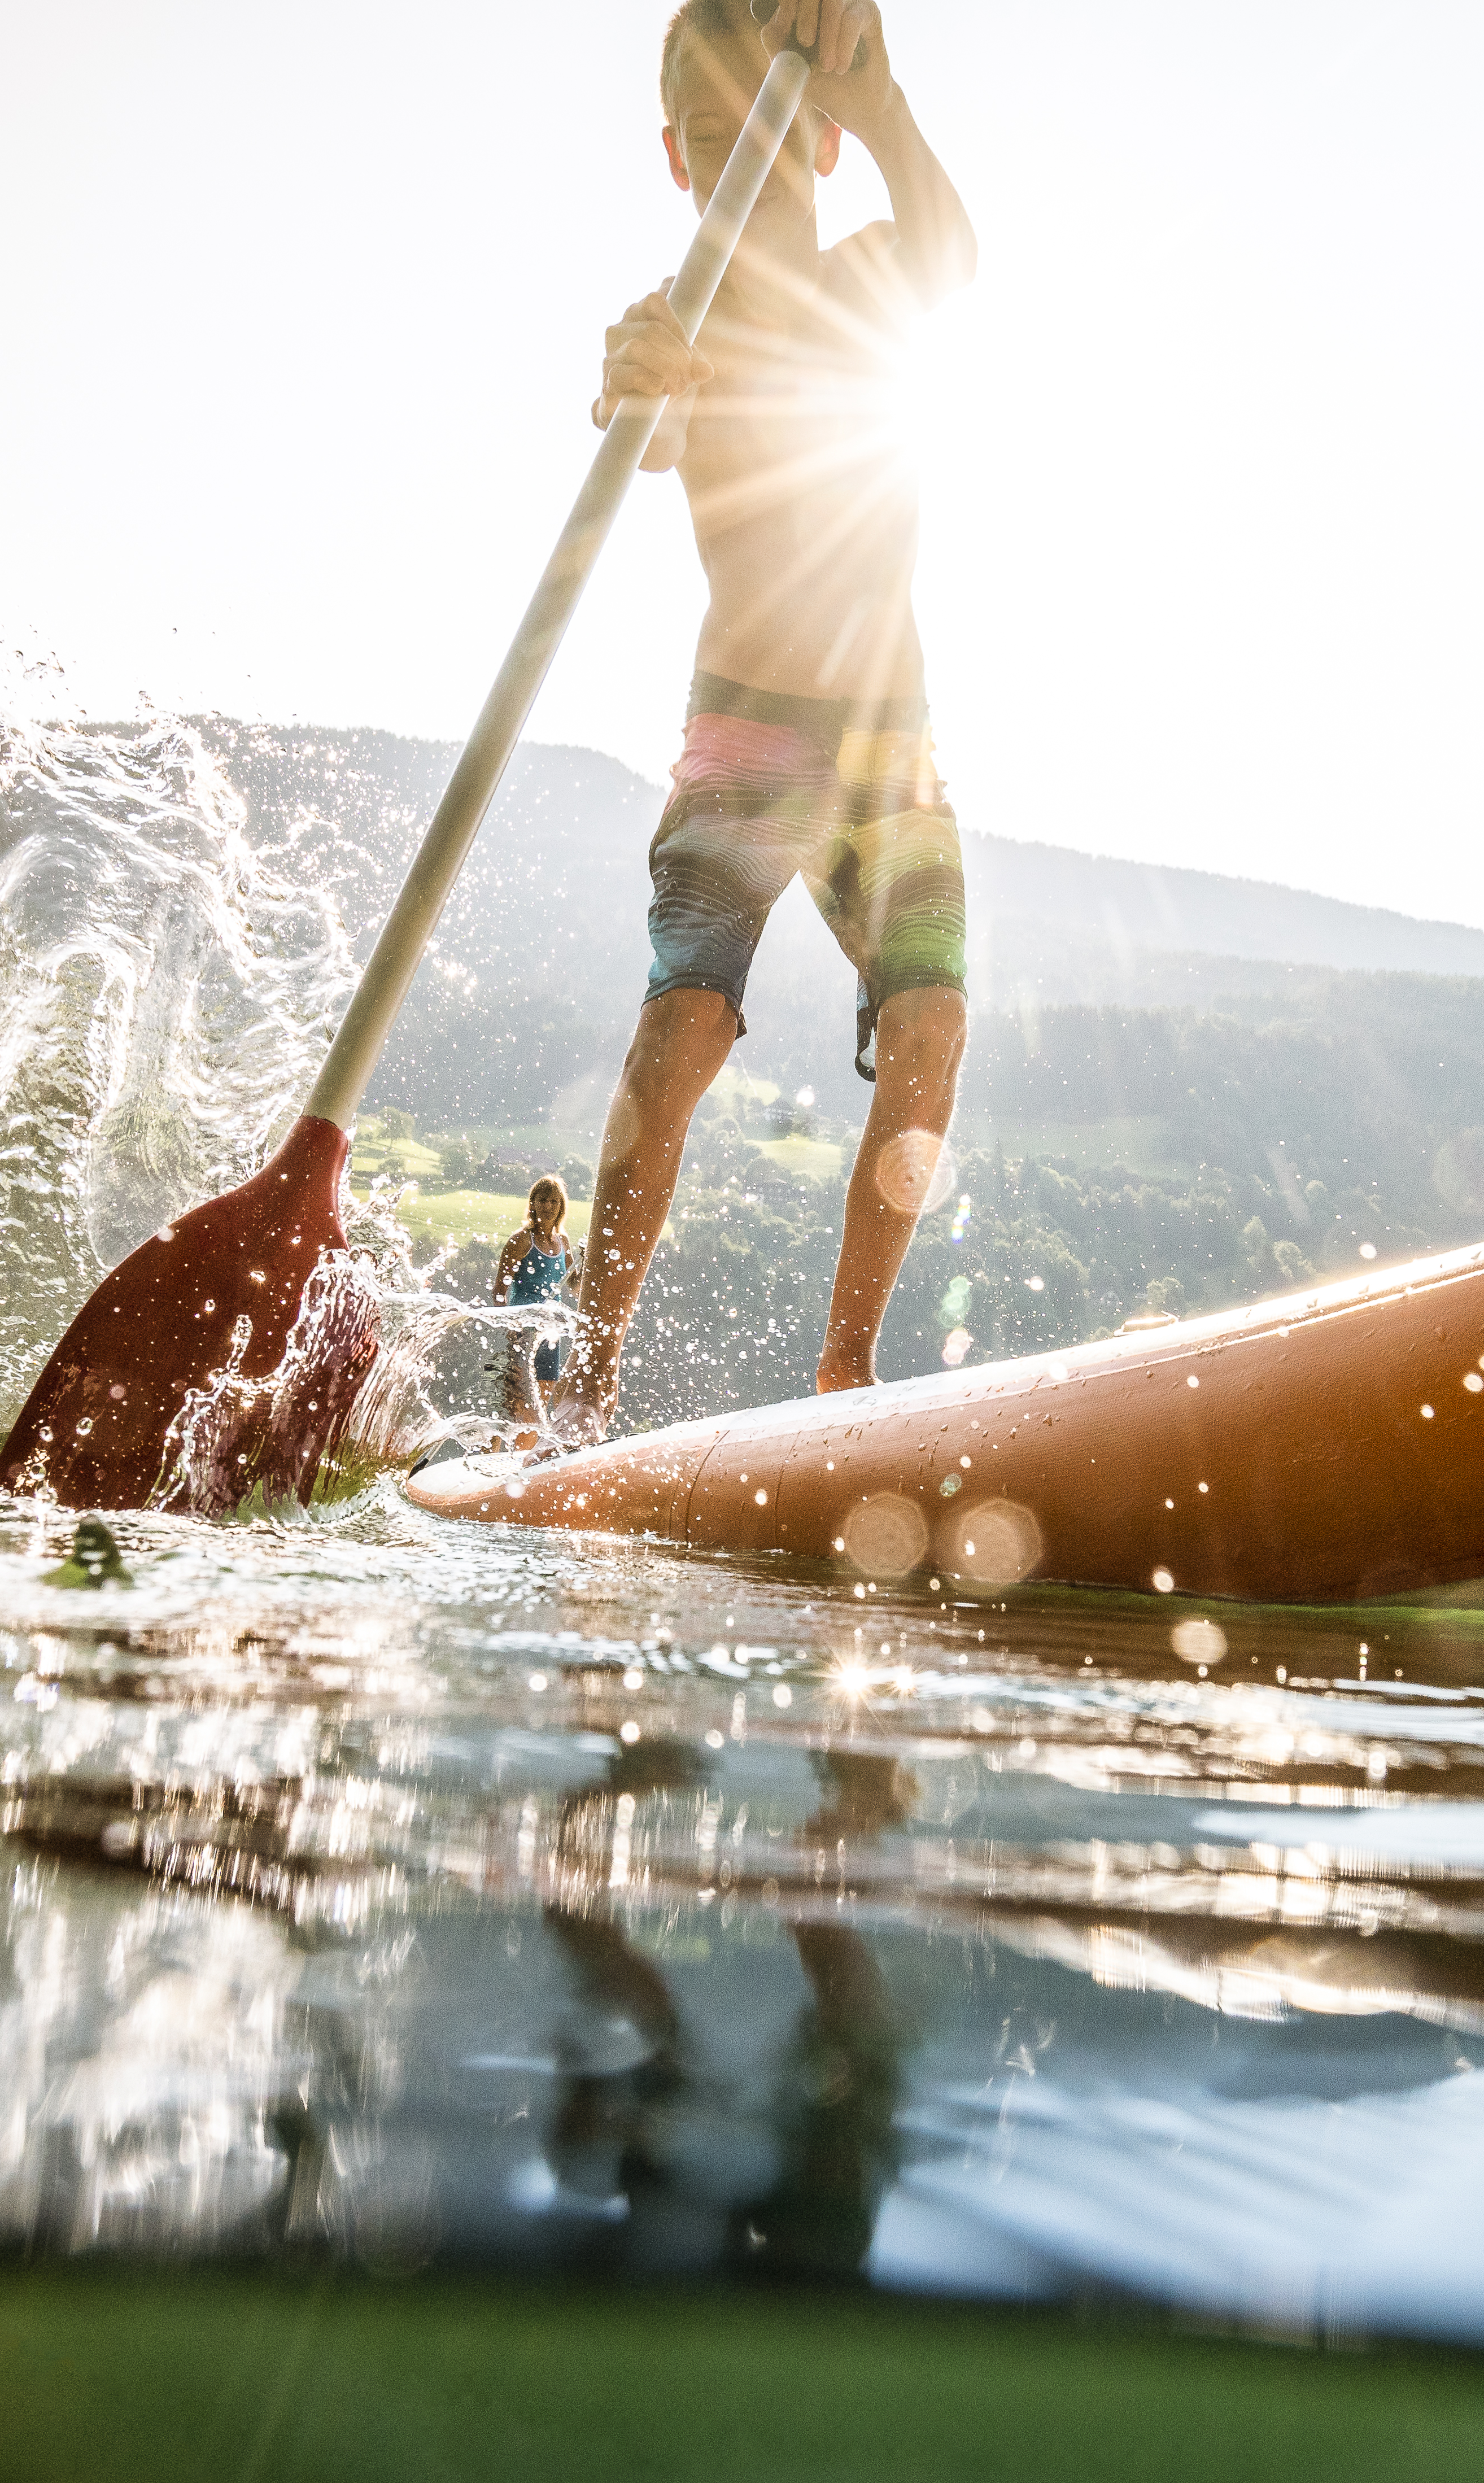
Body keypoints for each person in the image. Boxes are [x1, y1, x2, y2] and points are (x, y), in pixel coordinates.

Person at [554, 0, 977, 1443]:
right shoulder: (676, 325)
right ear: (680, 159)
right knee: (681, 1029)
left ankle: (843, 1377)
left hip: (885, 732)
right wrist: (632, 384)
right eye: (715, 137)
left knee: (930, 1022)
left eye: (772, 137)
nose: (746, 159)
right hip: (742, 729)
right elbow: (656, 425)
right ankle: (589, 1379)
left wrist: (878, 84)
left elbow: (949, 252)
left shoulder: (868, 283)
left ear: (818, 143)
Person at [487, 1175, 577, 1440]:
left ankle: (526, 1457)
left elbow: (574, 1286)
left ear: (561, 1206)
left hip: (551, 1332)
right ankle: (497, 1451)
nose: (548, 1206)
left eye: (554, 1201)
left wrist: (587, 1263)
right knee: (516, 1397)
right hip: (523, 1329)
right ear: (533, 1204)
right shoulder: (522, 1240)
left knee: (542, 1397)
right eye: (543, 1200)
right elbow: (499, 1292)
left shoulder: (564, 1243)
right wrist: (510, 1328)